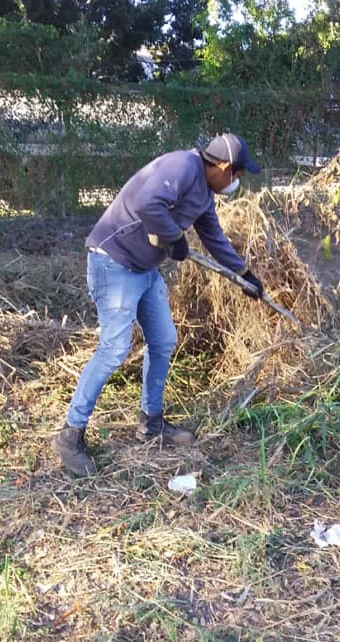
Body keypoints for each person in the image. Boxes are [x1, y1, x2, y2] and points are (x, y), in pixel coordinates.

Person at [52, 132, 263, 476]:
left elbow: (213, 237)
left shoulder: (205, 194)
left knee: (163, 340)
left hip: (144, 269)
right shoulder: (182, 166)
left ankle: (151, 423)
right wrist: (174, 236)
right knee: (114, 348)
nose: (234, 181)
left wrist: (243, 273)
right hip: (113, 261)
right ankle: (70, 435)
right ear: (223, 165)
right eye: (236, 174)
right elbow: (147, 203)